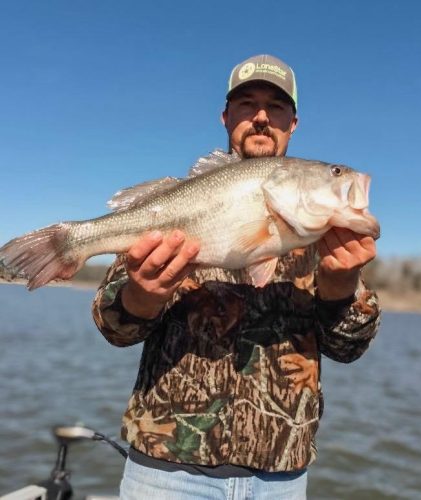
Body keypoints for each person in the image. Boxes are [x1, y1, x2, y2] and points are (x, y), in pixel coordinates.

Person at [92, 54, 380, 500]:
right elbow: (114, 328)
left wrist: (341, 288)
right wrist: (141, 296)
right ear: (226, 117)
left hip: (281, 478)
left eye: (276, 107)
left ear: (292, 124)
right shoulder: (179, 202)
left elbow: (349, 348)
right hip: (165, 470)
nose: (261, 116)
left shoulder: (325, 236)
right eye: (247, 104)